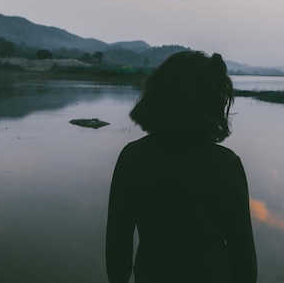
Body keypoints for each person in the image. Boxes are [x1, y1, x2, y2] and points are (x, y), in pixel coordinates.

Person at [106, 51, 257, 283]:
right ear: (210, 99)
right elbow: (244, 257)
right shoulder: (226, 165)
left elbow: (118, 249)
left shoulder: (132, 158)